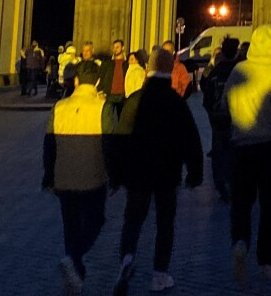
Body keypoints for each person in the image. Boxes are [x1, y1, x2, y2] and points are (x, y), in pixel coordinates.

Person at [110, 48, 203, 296]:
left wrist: (116, 175)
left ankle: (127, 257)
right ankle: (160, 274)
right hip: (167, 173)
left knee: (133, 218)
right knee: (165, 223)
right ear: (169, 69)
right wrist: (195, 173)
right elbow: (191, 139)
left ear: (148, 68)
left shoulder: (134, 100)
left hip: (137, 171)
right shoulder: (175, 102)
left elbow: (119, 140)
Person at [225, 24, 271, 283]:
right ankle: (267, 262)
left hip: (241, 146)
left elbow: (225, 102)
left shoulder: (239, 70)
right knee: (270, 207)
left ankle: (240, 242)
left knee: (241, 203)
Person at [45, 61, 112, 293]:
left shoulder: (60, 106)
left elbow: (49, 143)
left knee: (70, 225)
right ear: (97, 81)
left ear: (75, 80)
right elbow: (110, 143)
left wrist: (48, 176)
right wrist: (115, 174)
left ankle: (75, 275)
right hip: (93, 176)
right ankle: (73, 259)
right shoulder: (103, 107)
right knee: (95, 221)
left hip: (63, 176)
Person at [202, 36, 239, 201]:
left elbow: (206, 94)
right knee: (234, 151)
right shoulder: (239, 72)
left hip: (218, 118)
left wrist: (212, 112)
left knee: (219, 151)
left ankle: (220, 184)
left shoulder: (215, 72)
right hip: (236, 118)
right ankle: (232, 182)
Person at [97, 40, 130, 125]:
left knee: (122, 120)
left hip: (123, 95)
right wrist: (100, 91)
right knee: (107, 120)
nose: (115, 49)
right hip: (109, 94)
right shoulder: (107, 63)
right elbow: (101, 76)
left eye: (117, 47)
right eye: (114, 47)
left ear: (123, 48)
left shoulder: (127, 63)